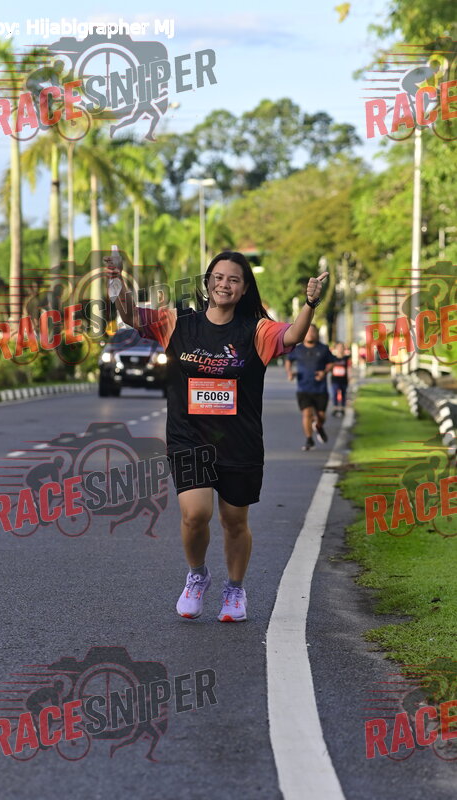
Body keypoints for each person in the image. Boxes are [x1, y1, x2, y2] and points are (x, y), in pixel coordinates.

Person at [104, 249, 328, 622]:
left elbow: (294, 334)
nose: (224, 285)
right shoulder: (177, 323)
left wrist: (310, 304)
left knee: (234, 521)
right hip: (188, 437)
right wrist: (117, 281)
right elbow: (130, 315)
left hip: (239, 441)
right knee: (195, 514)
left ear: (244, 289)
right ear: (207, 282)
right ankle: (197, 575)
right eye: (218, 277)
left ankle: (235, 589)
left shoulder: (256, 330)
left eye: (234, 280)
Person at [285, 324, 335, 451]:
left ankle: (319, 426)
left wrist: (324, 372)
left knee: (321, 416)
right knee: (307, 414)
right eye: (308, 331)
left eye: (313, 332)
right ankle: (309, 439)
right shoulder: (297, 349)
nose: (311, 334)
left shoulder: (323, 349)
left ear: (317, 334)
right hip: (303, 389)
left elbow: (331, 363)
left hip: (320, 389)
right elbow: (288, 360)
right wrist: (289, 372)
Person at [330, 342, 350, 416]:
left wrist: (349, 377)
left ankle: (342, 409)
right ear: (336, 348)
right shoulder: (333, 358)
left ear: (344, 349)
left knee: (343, 394)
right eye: (338, 347)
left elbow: (349, 368)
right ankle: (335, 408)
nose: (340, 349)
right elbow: (330, 367)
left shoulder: (346, 358)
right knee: (335, 393)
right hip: (335, 379)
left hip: (343, 379)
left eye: (341, 347)